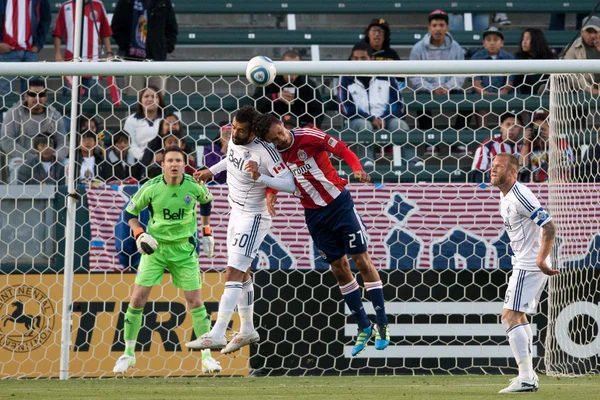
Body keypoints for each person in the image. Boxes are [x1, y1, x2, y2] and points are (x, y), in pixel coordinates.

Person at [253, 113, 390, 356]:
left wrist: (356, 169)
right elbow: (277, 180)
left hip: (340, 205)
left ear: (283, 126)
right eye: (275, 139)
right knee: (339, 269)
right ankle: (363, 325)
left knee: (361, 259)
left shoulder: (309, 136)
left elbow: (343, 150)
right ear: (268, 141)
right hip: (315, 216)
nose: (281, 139)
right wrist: (270, 194)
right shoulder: (273, 156)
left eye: (281, 133)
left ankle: (382, 322)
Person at [185, 105, 295, 354]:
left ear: (253, 132)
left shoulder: (266, 152)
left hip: (253, 216)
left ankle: (217, 332)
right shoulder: (235, 138)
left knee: (232, 272)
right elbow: (231, 158)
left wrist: (261, 179)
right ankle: (247, 329)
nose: (234, 133)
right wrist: (211, 171)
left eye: (240, 130)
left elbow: (290, 184)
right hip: (235, 212)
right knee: (242, 271)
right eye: (233, 127)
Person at [113, 146, 221, 375]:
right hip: (155, 250)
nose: (174, 164)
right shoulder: (151, 188)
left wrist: (207, 230)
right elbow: (129, 214)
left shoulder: (194, 185)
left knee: (195, 302)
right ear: (162, 164)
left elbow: (207, 201)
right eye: (169, 160)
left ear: (184, 164)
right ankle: (128, 354)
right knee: (137, 299)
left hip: (184, 250)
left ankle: (207, 358)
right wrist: (139, 233)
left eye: (178, 161)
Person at [489, 153, 558, 393]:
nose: (493, 170)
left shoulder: (520, 195)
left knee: (508, 316)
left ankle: (527, 377)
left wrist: (540, 259)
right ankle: (528, 376)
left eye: (499, 167)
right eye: (492, 166)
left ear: (513, 172)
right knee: (518, 316)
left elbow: (549, 226)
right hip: (524, 262)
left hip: (529, 264)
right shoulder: (504, 194)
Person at [339, 43, 409, 168]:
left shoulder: (386, 76)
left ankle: (411, 162)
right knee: (363, 124)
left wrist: (384, 119)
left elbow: (398, 104)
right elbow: (346, 108)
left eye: (363, 58)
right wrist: (371, 119)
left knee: (400, 124)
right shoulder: (345, 79)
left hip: (385, 120)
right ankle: (367, 163)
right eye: (355, 58)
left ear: (371, 59)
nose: (359, 62)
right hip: (356, 122)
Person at [409, 9, 466, 150]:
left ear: (447, 27)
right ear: (429, 28)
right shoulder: (418, 48)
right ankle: (430, 142)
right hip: (427, 90)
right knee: (420, 99)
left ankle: (457, 140)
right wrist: (432, 89)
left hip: (450, 90)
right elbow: (413, 75)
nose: (438, 29)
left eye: (441, 25)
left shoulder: (456, 48)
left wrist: (448, 87)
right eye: (434, 25)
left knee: (467, 102)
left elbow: (461, 73)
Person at [0, 79, 67, 183]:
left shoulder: (54, 115)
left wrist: (55, 157)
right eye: (32, 94)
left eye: (41, 95)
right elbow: (6, 141)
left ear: (46, 97)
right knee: (16, 166)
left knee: (68, 165)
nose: (37, 98)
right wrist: (31, 158)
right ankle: (17, 199)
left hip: (50, 158)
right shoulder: (14, 113)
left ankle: (64, 198)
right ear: (26, 96)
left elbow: (63, 142)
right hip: (23, 158)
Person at [111, 0, 178, 93]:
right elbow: (117, 27)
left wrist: (164, 47)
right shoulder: (127, 2)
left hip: (157, 60)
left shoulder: (163, 2)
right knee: (134, 99)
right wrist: (127, 46)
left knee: (156, 101)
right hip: (133, 60)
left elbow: (171, 27)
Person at [53, 0, 113, 97]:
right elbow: (57, 32)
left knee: (92, 104)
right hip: (70, 64)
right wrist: (57, 54)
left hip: (93, 64)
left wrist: (109, 53)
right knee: (70, 103)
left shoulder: (98, 5)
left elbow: (105, 31)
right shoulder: (66, 6)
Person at [253, 50, 323, 129]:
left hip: (300, 130)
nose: (291, 73)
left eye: (295, 68)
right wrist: (276, 96)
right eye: (288, 68)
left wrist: (309, 127)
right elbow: (255, 104)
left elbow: (318, 111)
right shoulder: (269, 81)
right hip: (270, 129)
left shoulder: (308, 84)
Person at [0, 0, 51, 95]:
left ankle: (28, 111)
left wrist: (38, 44)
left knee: (32, 94)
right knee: (4, 93)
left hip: (30, 51)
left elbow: (46, 18)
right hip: (6, 52)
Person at [519, 110, 574, 183]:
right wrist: (525, 144)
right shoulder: (528, 146)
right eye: (537, 129)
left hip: (556, 187)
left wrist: (551, 143)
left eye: (543, 129)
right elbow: (521, 169)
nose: (540, 132)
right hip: (532, 187)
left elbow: (567, 167)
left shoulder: (561, 144)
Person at [470, 111, 523, 183]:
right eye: (508, 124)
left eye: (515, 125)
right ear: (501, 127)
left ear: (521, 130)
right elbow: (478, 173)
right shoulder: (489, 144)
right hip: (492, 190)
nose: (511, 128)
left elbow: (524, 172)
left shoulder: (523, 147)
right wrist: (484, 189)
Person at [123, 85, 165, 161]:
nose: (150, 99)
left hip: (163, 160)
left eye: (154, 97)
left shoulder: (166, 119)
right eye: (146, 96)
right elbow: (130, 145)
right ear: (140, 100)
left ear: (160, 100)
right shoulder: (132, 120)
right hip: (138, 161)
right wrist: (147, 158)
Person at [471, 27, 515, 95]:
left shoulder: (509, 58)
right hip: (480, 97)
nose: (492, 43)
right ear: (484, 43)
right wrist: (487, 94)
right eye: (488, 40)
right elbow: (476, 84)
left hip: (503, 97)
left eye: (496, 40)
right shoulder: (476, 58)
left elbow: (509, 84)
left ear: (502, 42)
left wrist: (500, 93)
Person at [513, 29, 556, 95]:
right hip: (527, 94)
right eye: (523, 39)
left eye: (527, 39)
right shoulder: (519, 58)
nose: (524, 42)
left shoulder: (550, 57)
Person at [564, 16, 600, 94]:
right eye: (589, 32)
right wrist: (590, 89)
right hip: (582, 90)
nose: (593, 35)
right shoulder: (572, 47)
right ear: (582, 32)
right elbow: (571, 74)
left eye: (596, 32)